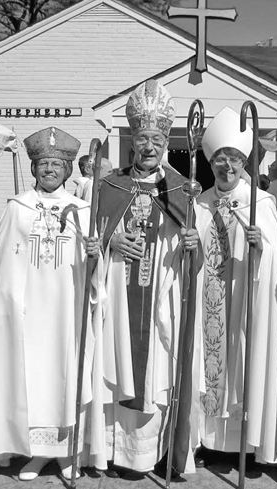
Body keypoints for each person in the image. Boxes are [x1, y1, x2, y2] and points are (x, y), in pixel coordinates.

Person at [0, 126, 106, 481]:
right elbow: (2, 264)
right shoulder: (18, 208)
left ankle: (68, 452)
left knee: (66, 372)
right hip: (29, 311)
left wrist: (94, 255)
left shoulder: (82, 209)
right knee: (34, 377)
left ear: (68, 170)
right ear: (34, 168)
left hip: (68, 309)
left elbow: (94, 269)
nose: (50, 170)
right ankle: (38, 453)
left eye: (57, 164)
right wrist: (10, 304)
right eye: (43, 163)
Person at [96, 79, 199, 477]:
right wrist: (111, 240)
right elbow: (93, 239)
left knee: (156, 372)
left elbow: (195, 252)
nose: (150, 146)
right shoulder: (110, 186)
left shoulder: (180, 188)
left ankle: (154, 453)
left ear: (166, 140)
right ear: (132, 140)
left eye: (157, 137)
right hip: (119, 296)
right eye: (142, 138)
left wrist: (191, 242)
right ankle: (116, 451)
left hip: (161, 297)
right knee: (118, 363)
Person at [187, 106, 277, 466]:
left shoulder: (260, 202)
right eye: (219, 161)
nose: (226, 168)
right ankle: (209, 443)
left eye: (234, 160)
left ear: (245, 163)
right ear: (210, 163)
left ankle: (247, 445)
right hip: (207, 300)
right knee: (206, 363)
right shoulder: (199, 203)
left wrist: (263, 246)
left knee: (244, 361)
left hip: (245, 299)